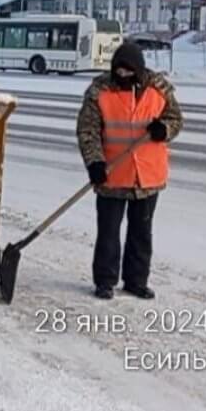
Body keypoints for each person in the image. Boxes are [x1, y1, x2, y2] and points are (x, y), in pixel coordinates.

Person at [76, 41, 183, 300]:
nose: (122, 76)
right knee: (109, 233)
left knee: (141, 233)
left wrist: (164, 129)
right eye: (118, 71)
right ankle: (105, 280)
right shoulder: (99, 91)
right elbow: (87, 131)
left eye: (128, 72)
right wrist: (95, 163)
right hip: (112, 175)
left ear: (139, 70)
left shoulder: (158, 89)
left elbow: (175, 118)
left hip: (147, 176)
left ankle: (136, 281)